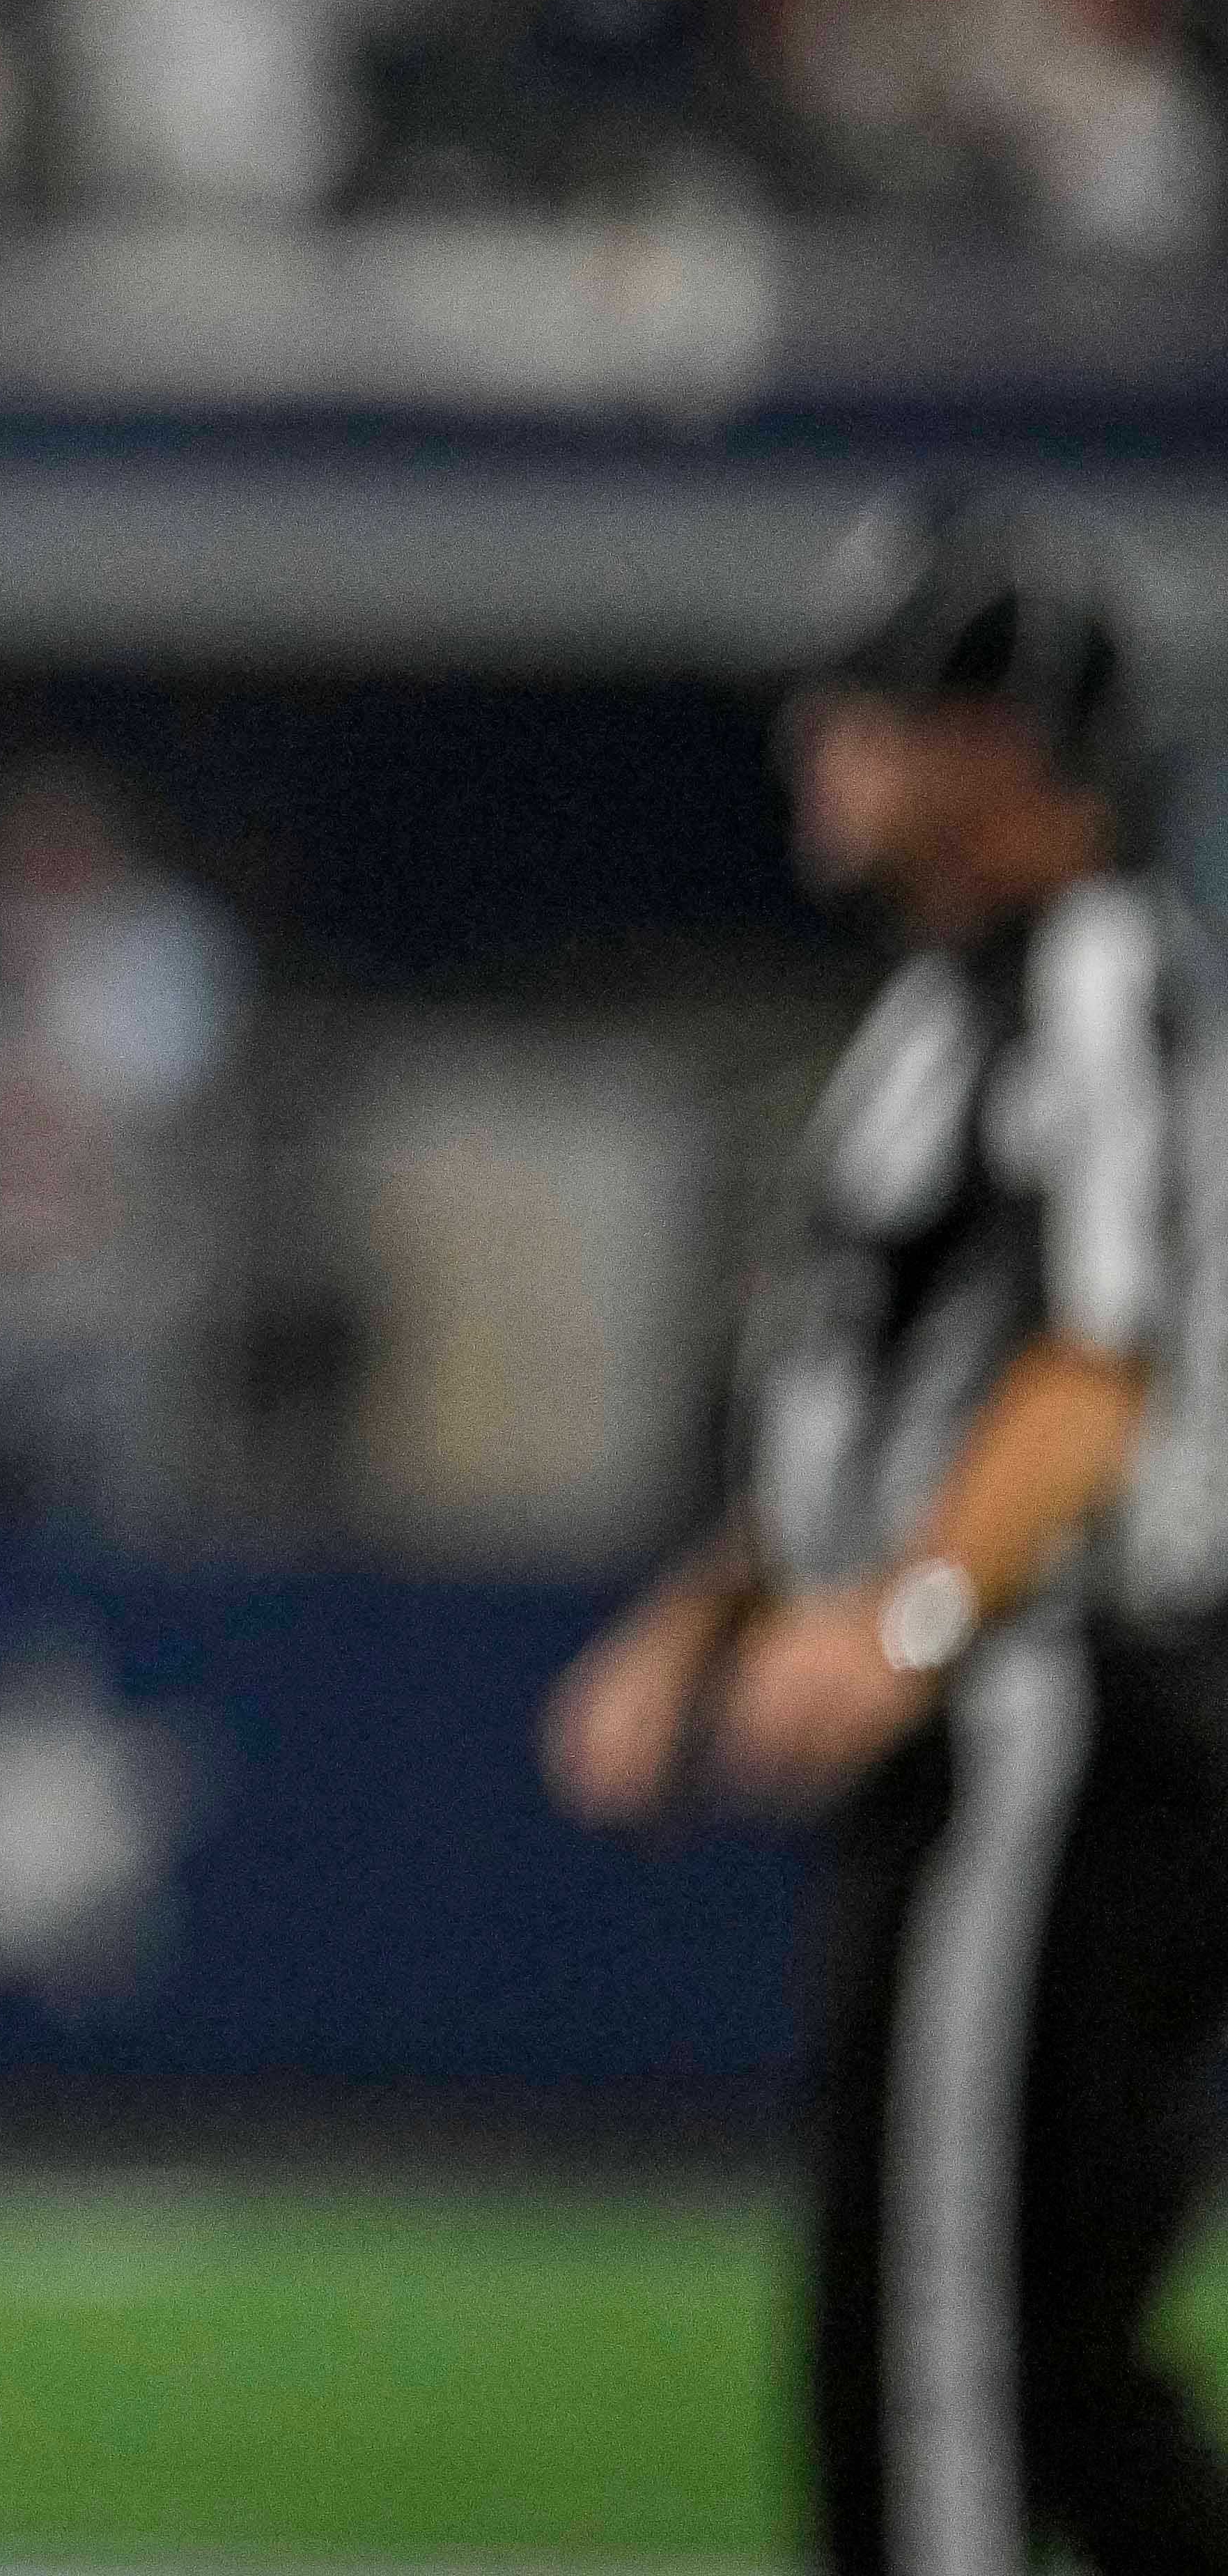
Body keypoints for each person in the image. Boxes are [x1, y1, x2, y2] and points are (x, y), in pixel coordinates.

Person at [547, 501, 1228, 2576]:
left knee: (928, 2354)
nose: (823, 744)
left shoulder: (1104, 976)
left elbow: (1096, 1366)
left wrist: (911, 1617)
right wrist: (708, 1612)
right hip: (992, 1712)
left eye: (881, 703)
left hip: (1053, 1723)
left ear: (1015, 745)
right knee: (1052, 2371)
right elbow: (888, 1393)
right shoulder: (947, 1015)